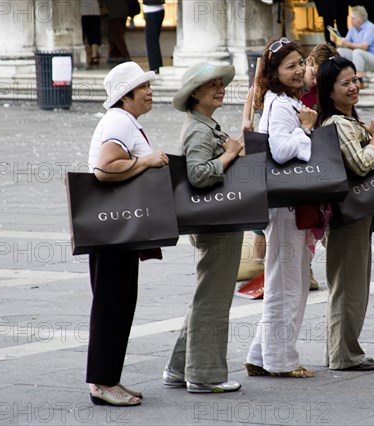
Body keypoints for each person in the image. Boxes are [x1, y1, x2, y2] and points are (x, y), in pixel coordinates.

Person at [86, 61, 168, 406]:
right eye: (143, 88)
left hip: (119, 228)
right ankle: (102, 383)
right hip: (112, 231)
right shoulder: (118, 121)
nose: (149, 92)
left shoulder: (125, 121)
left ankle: (109, 377)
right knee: (112, 304)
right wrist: (146, 162)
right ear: (126, 95)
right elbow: (105, 168)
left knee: (119, 302)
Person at [163, 63, 245, 393]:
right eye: (212, 85)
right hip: (216, 223)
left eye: (221, 83)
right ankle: (205, 375)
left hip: (217, 219)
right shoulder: (198, 130)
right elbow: (197, 174)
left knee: (206, 295)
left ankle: (178, 369)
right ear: (195, 94)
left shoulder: (205, 125)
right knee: (213, 298)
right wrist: (228, 157)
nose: (220, 88)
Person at [244, 37, 318, 378]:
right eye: (291, 66)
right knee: (288, 283)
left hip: (287, 204)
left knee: (284, 279)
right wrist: (305, 128)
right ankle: (281, 361)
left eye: (300, 62)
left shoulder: (283, 100)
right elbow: (282, 149)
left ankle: (261, 355)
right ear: (273, 73)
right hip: (286, 205)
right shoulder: (280, 105)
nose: (299, 70)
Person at [316, 56, 374, 371]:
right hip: (348, 217)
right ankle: (344, 355)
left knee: (352, 285)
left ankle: (342, 351)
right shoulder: (338, 123)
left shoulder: (347, 119)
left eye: (355, 79)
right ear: (329, 92)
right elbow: (358, 164)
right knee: (348, 287)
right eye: (345, 83)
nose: (354, 86)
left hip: (356, 214)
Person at [335, 5, 374, 87]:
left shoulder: (370, 28)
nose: (351, 20)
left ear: (360, 20)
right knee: (340, 52)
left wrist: (347, 44)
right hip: (362, 58)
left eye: (353, 18)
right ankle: (339, 76)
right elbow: (346, 43)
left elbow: (364, 47)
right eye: (350, 18)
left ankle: (359, 80)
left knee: (358, 52)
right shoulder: (353, 28)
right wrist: (337, 40)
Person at [142, 0, 164, 73]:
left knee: (151, 41)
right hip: (155, 9)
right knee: (153, 41)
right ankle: (157, 66)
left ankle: (155, 66)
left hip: (152, 10)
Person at [80, 0, 102, 65]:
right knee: (94, 34)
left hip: (81, 10)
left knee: (82, 35)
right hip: (94, 10)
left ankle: (84, 56)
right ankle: (94, 56)